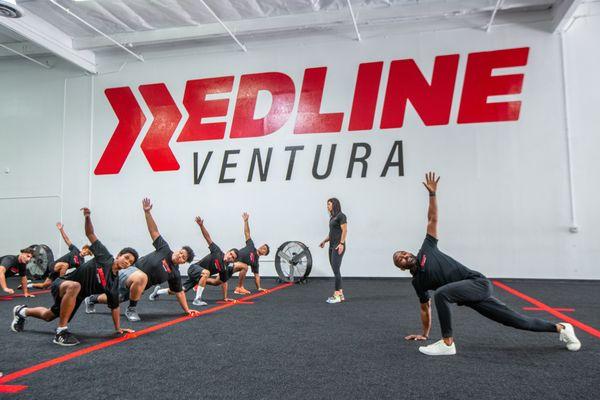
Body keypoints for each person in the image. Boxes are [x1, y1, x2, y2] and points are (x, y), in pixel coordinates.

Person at [394, 172, 581, 356]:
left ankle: (447, 343)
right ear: (402, 267)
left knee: (442, 294)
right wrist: (424, 334)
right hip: (469, 297)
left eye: (403, 252)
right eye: (399, 259)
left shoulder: (427, 249)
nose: (403, 256)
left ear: (409, 252)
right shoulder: (418, 282)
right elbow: (425, 308)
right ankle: (562, 328)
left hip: (477, 283)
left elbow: (432, 219)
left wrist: (432, 194)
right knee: (516, 320)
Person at [11, 207, 138, 346]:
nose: (127, 262)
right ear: (119, 255)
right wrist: (87, 216)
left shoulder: (113, 283)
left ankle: (21, 311)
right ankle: (61, 332)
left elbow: (115, 307)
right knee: (75, 286)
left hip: (75, 297)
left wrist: (118, 329)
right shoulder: (105, 256)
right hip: (63, 283)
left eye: (130, 262)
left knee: (48, 316)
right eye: (126, 257)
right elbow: (90, 233)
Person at [85, 198, 198, 321]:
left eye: (183, 258)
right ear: (178, 250)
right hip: (130, 272)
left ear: (183, 262)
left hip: (138, 286)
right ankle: (131, 309)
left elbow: (179, 292)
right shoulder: (164, 249)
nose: (180, 256)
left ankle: (91, 299)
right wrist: (147, 212)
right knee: (141, 278)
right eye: (181, 253)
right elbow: (154, 231)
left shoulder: (174, 273)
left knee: (117, 298)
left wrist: (187, 310)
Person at [151, 216, 239, 306]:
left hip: (199, 277)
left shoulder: (224, 268)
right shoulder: (217, 251)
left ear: (233, 261)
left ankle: (157, 292)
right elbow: (207, 237)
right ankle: (197, 299)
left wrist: (225, 297)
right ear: (227, 252)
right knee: (206, 272)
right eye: (230, 254)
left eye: (232, 257)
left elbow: (223, 282)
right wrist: (201, 225)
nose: (230, 257)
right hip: (194, 269)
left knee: (180, 290)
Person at [28, 222, 91, 290]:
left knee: (45, 285)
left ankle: (28, 285)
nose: (85, 253)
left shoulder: (81, 262)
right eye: (85, 251)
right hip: (54, 266)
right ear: (83, 249)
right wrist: (61, 230)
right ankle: (61, 283)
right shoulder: (75, 250)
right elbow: (67, 239)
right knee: (65, 265)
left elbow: (80, 273)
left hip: (60, 272)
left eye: (87, 253)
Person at [319, 198, 347, 304]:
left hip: (338, 246)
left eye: (329, 204)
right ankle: (341, 293)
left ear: (334, 205)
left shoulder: (341, 216)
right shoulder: (332, 218)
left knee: (336, 271)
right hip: (331, 246)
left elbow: (345, 230)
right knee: (336, 270)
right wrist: (324, 241)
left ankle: (337, 295)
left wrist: (342, 244)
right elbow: (331, 234)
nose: (327, 206)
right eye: (327, 204)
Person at [233, 212, 270, 294]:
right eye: (263, 246)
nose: (262, 247)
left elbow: (256, 275)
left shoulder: (255, 262)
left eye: (264, 249)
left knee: (219, 279)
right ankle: (198, 281)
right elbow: (247, 233)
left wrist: (259, 287)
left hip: (236, 265)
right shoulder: (251, 246)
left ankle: (239, 288)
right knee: (216, 279)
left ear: (264, 254)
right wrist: (246, 221)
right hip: (231, 259)